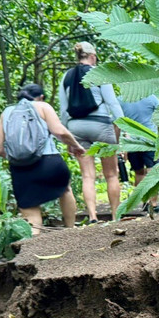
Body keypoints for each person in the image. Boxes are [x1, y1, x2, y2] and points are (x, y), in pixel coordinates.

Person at [0, 83, 83, 233]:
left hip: (20, 168)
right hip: (48, 161)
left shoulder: (7, 112)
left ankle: (34, 244)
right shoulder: (43, 106)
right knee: (65, 190)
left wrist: (18, 158)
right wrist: (76, 145)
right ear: (40, 97)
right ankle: (71, 230)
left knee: (30, 207)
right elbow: (59, 131)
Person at [59, 41, 124, 224]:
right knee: (111, 174)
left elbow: (63, 111)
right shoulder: (99, 74)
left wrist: (68, 140)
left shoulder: (66, 76)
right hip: (101, 125)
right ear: (93, 56)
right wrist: (123, 127)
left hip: (76, 128)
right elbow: (112, 104)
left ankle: (93, 216)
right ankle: (115, 216)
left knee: (87, 175)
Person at [121, 94, 159, 210]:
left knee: (139, 173)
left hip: (132, 142)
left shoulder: (121, 99)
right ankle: (153, 204)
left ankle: (144, 202)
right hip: (150, 139)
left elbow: (118, 121)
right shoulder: (151, 97)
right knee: (152, 170)